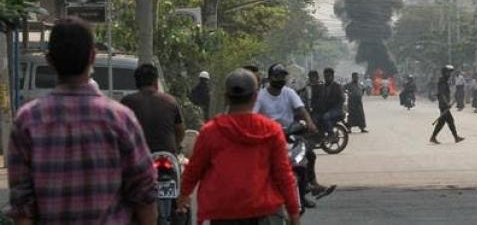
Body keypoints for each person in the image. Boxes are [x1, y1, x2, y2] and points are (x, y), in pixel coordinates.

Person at [7, 18, 157, 223]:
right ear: (93, 57)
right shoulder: (120, 119)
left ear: (49, 60)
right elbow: (144, 194)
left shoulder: (27, 121)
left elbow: (22, 206)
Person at [177, 69, 301, 224]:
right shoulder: (271, 130)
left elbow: (194, 169)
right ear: (255, 97)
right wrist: (294, 213)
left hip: (224, 213)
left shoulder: (211, 131)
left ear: (226, 98)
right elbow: (283, 175)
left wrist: (183, 195)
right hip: (263, 212)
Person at [254, 64, 331, 204]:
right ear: (270, 77)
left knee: (308, 155)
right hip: (268, 136)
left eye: (283, 76)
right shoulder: (261, 96)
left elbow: (301, 109)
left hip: (290, 133)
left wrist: (310, 123)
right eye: (277, 76)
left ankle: (306, 189)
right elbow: (253, 116)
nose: (281, 79)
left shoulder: (288, 92)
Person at [121, 63, 186, 155]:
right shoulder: (170, 101)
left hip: (138, 155)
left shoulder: (126, 102)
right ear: (156, 82)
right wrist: (175, 146)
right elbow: (180, 131)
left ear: (137, 83)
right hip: (166, 155)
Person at [430, 65, 465, 144]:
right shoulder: (442, 82)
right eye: (448, 72)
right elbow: (442, 94)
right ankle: (456, 137)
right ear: (445, 73)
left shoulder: (444, 81)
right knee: (450, 121)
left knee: (442, 122)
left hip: (443, 104)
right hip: (443, 105)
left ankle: (433, 137)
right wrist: (447, 103)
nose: (450, 74)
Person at [319, 68, 345, 134]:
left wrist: (332, 102)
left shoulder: (337, 86)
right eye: (325, 76)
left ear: (332, 76)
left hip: (336, 109)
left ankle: (331, 134)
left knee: (325, 117)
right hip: (326, 109)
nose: (326, 78)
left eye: (328, 76)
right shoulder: (323, 87)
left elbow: (342, 99)